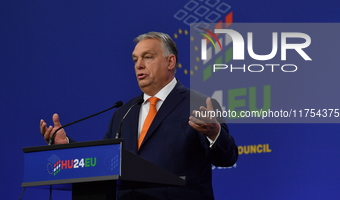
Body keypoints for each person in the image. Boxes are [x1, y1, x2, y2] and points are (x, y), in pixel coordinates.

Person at [40, 32, 238, 200]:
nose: (139, 65)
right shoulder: (123, 113)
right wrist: (67, 147)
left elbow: (227, 158)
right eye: (135, 59)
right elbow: (102, 163)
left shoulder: (199, 104)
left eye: (148, 57)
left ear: (170, 61)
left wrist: (215, 133)